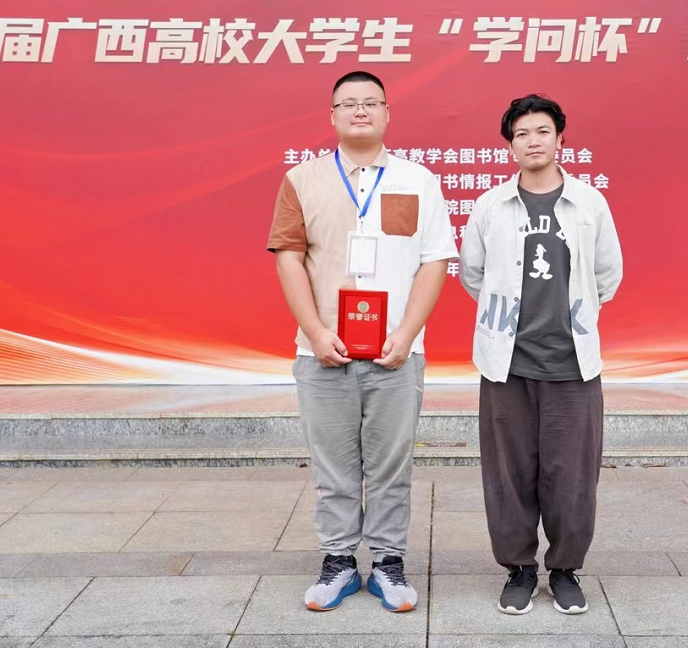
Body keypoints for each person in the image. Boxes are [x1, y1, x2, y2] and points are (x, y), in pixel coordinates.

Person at [267, 70, 456, 612]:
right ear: (332, 116)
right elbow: (288, 260)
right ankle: (339, 562)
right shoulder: (301, 179)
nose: (360, 111)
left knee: (392, 466)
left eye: (371, 102)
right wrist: (315, 331)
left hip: (397, 353)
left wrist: (407, 333)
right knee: (333, 467)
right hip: (322, 352)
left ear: (388, 113)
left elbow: (434, 261)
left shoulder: (419, 180)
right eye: (348, 103)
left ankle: (390, 563)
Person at [459, 94, 623, 616]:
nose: (533, 141)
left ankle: (566, 569)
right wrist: (507, 320)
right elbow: (473, 273)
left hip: (573, 365)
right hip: (506, 364)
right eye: (522, 134)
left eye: (542, 131)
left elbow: (607, 274)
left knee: (571, 475)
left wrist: (574, 317)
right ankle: (520, 569)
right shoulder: (490, 206)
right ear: (510, 145)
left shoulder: (589, 203)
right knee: (508, 474)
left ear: (560, 138)